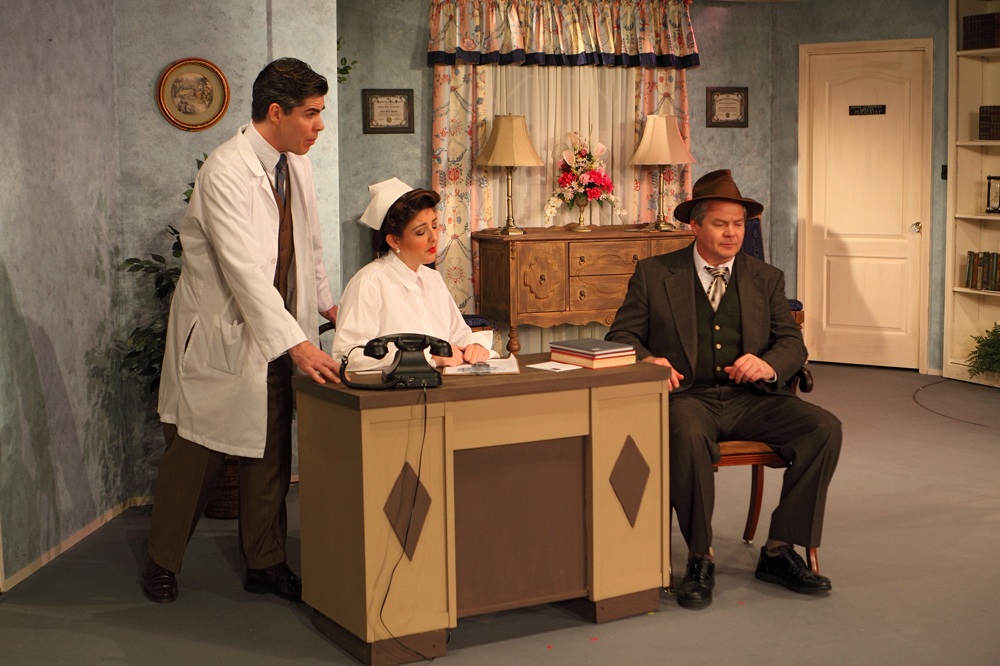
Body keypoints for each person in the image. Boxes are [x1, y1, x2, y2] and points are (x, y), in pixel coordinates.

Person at [142, 58, 342, 604]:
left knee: (270, 454)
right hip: (224, 334)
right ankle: (162, 561)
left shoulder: (294, 165)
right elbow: (244, 273)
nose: (319, 125)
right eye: (311, 113)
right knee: (196, 455)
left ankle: (265, 562)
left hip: (277, 330)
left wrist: (327, 306)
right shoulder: (225, 172)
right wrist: (297, 344)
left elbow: (308, 246)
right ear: (276, 112)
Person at [606, 169, 841, 609]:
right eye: (720, 223)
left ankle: (780, 550)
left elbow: (792, 343)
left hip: (751, 400)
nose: (732, 233)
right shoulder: (655, 274)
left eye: (739, 224)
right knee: (686, 436)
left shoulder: (766, 277)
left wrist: (769, 364)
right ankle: (700, 556)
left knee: (824, 429)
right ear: (695, 226)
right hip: (688, 398)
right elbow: (622, 336)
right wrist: (648, 360)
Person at [331, 178, 494, 373]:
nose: (434, 237)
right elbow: (348, 355)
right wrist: (427, 357)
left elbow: (458, 333)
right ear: (394, 240)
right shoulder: (369, 282)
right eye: (421, 232)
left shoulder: (432, 278)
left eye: (434, 226)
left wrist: (474, 345)